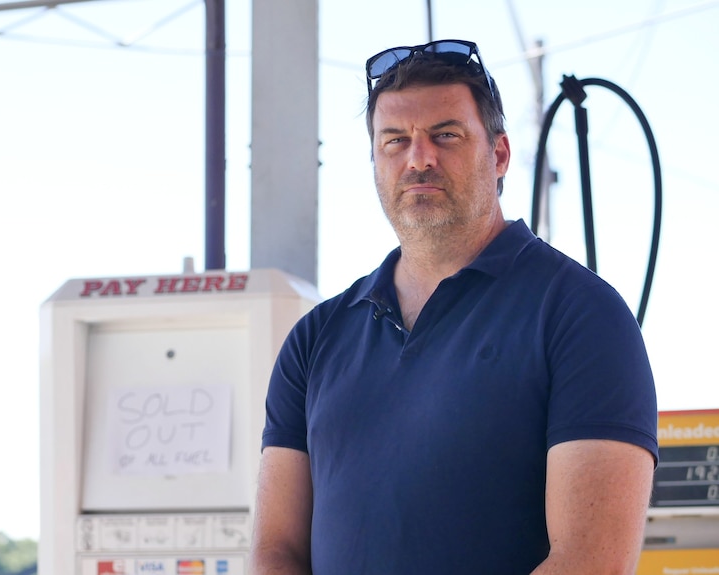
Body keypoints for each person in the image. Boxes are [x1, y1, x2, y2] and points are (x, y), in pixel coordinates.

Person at [249, 39, 658, 574]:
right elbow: (275, 551)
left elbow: (590, 562)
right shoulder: (315, 339)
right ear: (375, 160)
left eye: (446, 135)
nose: (419, 158)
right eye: (395, 140)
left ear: (500, 154)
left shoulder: (580, 316)